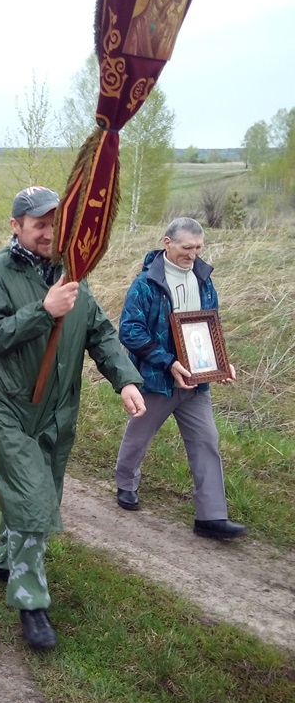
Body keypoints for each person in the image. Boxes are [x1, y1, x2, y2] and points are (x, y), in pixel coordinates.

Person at [0, 187, 145, 651]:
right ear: (16, 226)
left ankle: (5, 559)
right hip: (6, 405)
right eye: (38, 223)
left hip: (57, 408)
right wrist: (42, 312)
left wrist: (125, 379)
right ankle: (31, 602)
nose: (49, 231)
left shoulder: (74, 273)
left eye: (55, 222)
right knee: (34, 498)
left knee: (40, 489)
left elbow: (99, 331)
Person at [114, 217, 247, 542]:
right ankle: (125, 485)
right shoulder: (145, 284)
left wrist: (221, 363)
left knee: (207, 441)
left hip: (197, 385)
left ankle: (211, 517)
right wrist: (168, 362)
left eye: (199, 248)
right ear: (167, 243)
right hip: (156, 381)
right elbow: (130, 331)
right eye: (188, 248)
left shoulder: (203, 279)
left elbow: (210, 326)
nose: (194, 254)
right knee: (138, 438)